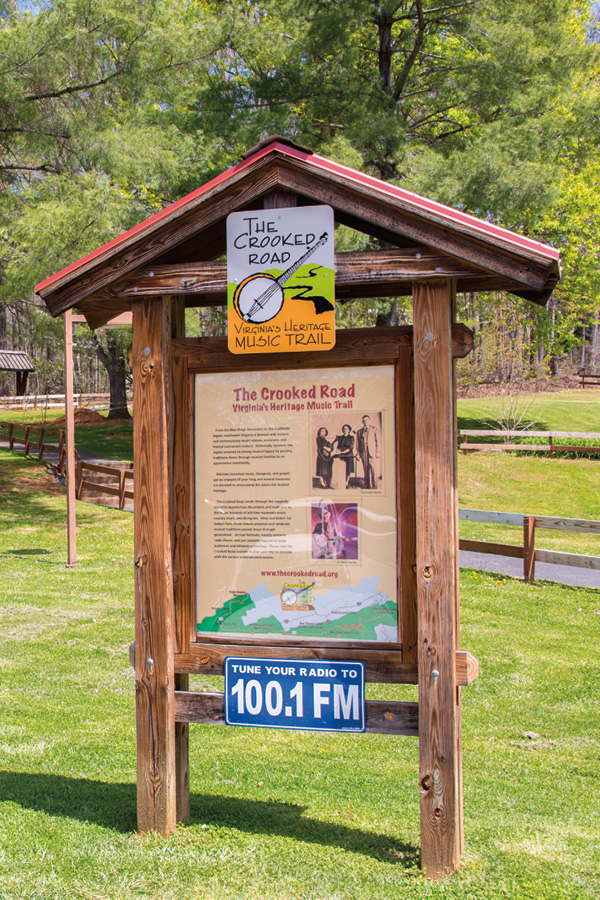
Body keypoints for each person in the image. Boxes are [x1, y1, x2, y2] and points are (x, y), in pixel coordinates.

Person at [356, 414, 379, 489]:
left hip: (371, 452)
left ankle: (374, 486)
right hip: (363, 452)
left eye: (367, 420)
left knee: (373, 470)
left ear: (369, 421)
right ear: (362, 422)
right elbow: (358, 444)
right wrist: (358, 454)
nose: (365, 422)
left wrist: (378, 451)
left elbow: (378, 441)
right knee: (365, 470)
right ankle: (367, 486)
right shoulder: (359, 432)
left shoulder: (374, 429)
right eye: (364, 420)